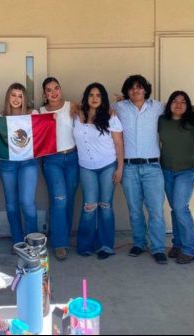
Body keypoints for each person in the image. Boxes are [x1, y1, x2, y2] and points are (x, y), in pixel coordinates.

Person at [112, 75, 168, 264]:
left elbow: (182, 109)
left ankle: (158, 247)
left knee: (155, 211)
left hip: (152, 167)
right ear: (126, 91)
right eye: (131, 88)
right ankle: (139, 243)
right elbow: (96, 111)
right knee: (134, 210)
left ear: (145, 89)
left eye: (139, 87)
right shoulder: (119, 107)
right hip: (129, 167)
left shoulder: (158, 107)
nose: (135, 91)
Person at [73, 83, 124, 260]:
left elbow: (119, 144)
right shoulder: (77, 115)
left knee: (105, 205)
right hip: (86, 167)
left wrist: (120, 168)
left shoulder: (111, 117)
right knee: (89, 206)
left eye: (98, 95)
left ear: (102, 99)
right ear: (86, 98)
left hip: (107, 165)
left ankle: (105, 245)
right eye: (91, 95)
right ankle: (85, 244)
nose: (94, 98)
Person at [158, 91, 194, 264]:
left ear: (188, 105)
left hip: (187, 171)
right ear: (169, 104)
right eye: (175, 101)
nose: (178, 104)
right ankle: (178, 243)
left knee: (180, 207)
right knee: (175, 208)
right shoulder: (162, 121)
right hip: (166, 169)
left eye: (183, 101)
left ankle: (190, 249)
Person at [39, 77, 80, 261]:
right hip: (52, 160)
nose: (54, 92)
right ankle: (59, 243)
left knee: (69, 199)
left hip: (72, 157)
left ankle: (62, 235)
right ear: (44, 94)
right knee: (60, 200)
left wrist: (114, 109)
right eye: (49, 90)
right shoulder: (39, 112)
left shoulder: (72, 106)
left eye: (56, 88)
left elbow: (91, 117)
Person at [0, 83, 40, 249]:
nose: (16, 99)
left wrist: (50, 121)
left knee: (27, 202)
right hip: (7, 164)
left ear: (24, 98)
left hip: (28, 162)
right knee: (11, 204)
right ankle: (18, 242)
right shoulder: (0, 118)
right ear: (8, 97)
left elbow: (44, 129)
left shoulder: (32, 114)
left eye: (20, 95)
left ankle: (33, 243)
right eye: (13, 95)